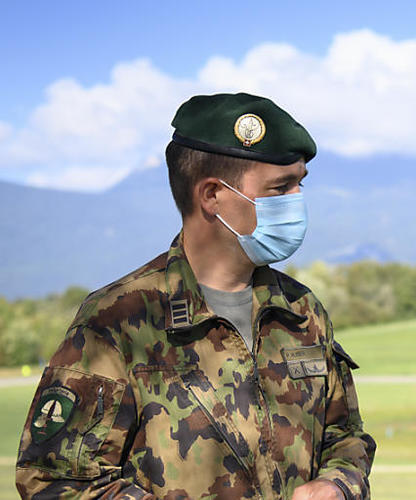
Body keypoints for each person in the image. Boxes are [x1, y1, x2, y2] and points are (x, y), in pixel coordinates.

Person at [16, 93, 376, 499]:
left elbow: (345, 435)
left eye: (300, 184)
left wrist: (338, 483)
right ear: (211, 196)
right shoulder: (119, 321)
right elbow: (53, 481)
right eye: (281, 188)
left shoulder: (300, 311)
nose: (297, 201)